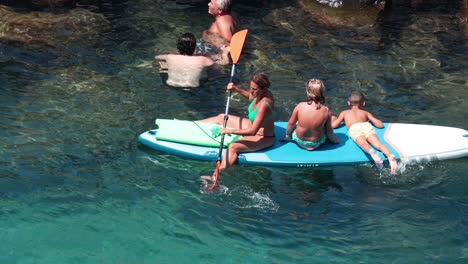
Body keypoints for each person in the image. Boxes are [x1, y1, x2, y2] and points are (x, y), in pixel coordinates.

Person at [199, 72, 275, 182]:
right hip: (250, 125)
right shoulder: (258, 94)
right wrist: (236, 89)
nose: (251, 91)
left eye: (255, 89)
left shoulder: (264, 105)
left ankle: (216, 176)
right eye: (250, 87)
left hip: (263, 137)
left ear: (263, 89)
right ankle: (190, 124)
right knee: (221, 117)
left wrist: (229, 131)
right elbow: (250, 97)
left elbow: (253, 131)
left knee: (233, 147)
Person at [331, 91, 398, 173]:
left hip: (354, 128)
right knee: (378, 144)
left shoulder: (344, 113)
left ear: (348, 103)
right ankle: (389, 155)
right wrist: (372, 120)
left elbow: (334, 125)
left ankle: (371, 152)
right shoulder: (366, 113)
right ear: (363, 103)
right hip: (366, 126)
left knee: (362, 143)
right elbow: (380, 125)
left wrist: (333, 119)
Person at [282, 79, 339, 150]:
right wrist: (334, 140)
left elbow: (291, 124)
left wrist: (287, 136)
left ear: (308, 92)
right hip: (316, 143)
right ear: (322, 93)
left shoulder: (300, 106)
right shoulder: (326, 110)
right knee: (325, 124)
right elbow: (329, 132)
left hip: (300, 141)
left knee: (296, 123)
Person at [155, 32, 227, 87]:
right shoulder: (203, 60)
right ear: (194, 47)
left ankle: (164, 70)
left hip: (171, 84)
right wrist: (224, 53)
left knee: (164, 67)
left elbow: (157, 57)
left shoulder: (169, 57)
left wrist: (166, 67)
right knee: (216, 74)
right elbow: (223, 64)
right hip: (195, 87)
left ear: (178, 47)